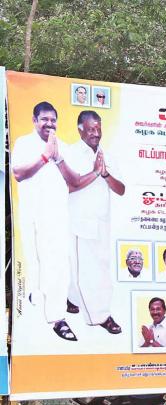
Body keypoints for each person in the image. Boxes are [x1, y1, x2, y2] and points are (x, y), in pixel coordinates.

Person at [11, 102, 85, 341]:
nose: (49, 124)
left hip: (58, 216)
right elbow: (19, 173)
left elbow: (75, 181)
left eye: (53, 120)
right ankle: (44, 303)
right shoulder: (24, 143)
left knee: (59, 264)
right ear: (34, 120)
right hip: (34, 215)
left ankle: (56, 312)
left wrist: (59, 158)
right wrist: (45, 157)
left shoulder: (62, 147)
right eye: (44, 119)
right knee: (37, 261)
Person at [64, 110, 125, 334]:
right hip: (79, 221)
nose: (96, 133)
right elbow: (70, 185)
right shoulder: (70, 153)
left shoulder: (107, 155)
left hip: (102, 222)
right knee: (91, 272)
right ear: (80, 129)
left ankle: (71, 299)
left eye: (98, 128)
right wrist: (94, 173)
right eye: (91, 129)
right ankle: (101, 317)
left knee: (94, 267)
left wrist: (106, 174)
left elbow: (121, 190)